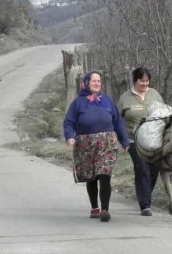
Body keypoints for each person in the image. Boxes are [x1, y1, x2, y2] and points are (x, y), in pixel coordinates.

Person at [64, 71, 129, 222]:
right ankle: (95, 207)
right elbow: (69, 122)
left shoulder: (107, 100)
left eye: (99, 81)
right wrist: (69, 137)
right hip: (85, 145)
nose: (97, 84)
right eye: (94, 81)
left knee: (105, 174)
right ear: (86, 83)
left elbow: (118, 121)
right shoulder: (78, 103)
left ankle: (105, 210)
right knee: (91, 176)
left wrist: (124, 140)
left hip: (107, 142)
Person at [118, 67, 164, 216]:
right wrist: (120, 138)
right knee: (142, 168)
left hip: (154, 140)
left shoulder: (155, 94)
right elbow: (116, 119)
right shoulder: (126, 98)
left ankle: (145, 194)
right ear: (135, 80)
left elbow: (164, 112)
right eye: (141, 81)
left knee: (154, 169)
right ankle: (145, 205)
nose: (144, 84)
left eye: (146, 81)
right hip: (133, 140)